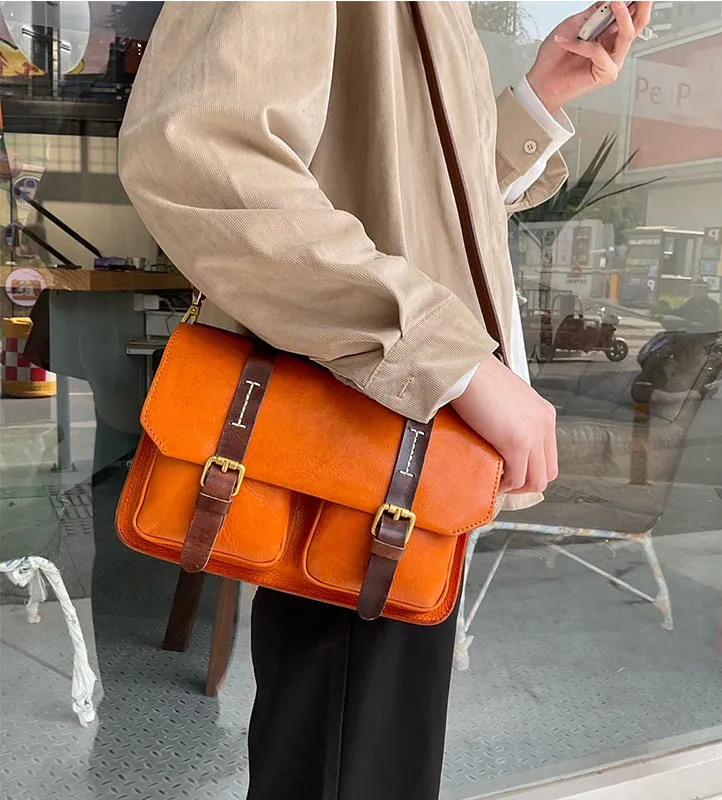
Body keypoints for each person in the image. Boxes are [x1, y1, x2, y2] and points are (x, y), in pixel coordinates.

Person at [118, 2, 651, 797]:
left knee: (364, 749)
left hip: (412, 442)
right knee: (350, 752)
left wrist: (540, 98)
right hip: (371, 438)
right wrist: (460, 365)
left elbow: (421, 205)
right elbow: (198, 154)